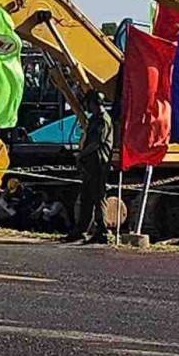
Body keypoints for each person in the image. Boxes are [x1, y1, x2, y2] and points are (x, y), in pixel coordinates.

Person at [71, 90, 115, 244]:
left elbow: (96, 143)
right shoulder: (96, 118)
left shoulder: (102, 120)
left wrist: (81, 155)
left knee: (98, 197)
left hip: (98, 164)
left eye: (88, 103)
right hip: (92, 164)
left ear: (94, 103)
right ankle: (81, 230)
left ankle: (102, 231)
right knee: (87, 198)